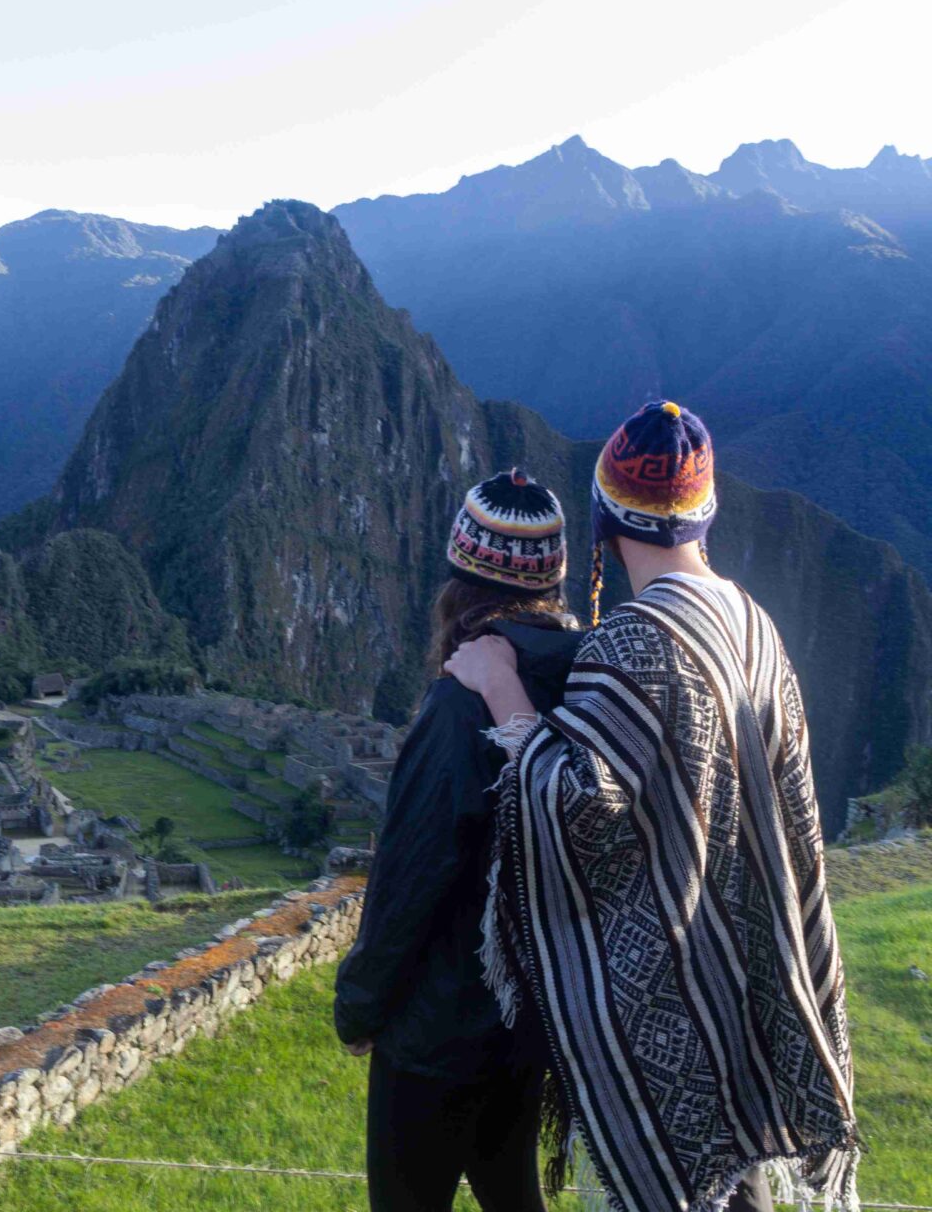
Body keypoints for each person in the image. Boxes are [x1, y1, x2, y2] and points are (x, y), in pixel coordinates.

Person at [447, 402, 860, 1212]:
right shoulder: (754, 621)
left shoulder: (633, 641)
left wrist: (499, 685)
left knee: (692, 1188)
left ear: (602, 519)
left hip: (674, 1006)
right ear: (706, 514)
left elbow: (573, 805)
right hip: (750, 978)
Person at [335, 469, 584, 1212]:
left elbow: (411, 876)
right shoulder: (588, 677)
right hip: (524, 1025)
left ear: (459, 579)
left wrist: (360, 1007)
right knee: (513, 1197)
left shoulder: (458, 704)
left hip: (436, 1038)